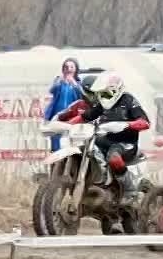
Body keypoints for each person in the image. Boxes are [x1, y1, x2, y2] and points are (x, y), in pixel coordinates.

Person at [55, 72, 151, 200]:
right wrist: (65, 125)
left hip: (125, 143)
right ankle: (96, 180)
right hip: (103, 139)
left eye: (106, 93)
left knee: (113, 158)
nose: (103, 97)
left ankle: (130, 191)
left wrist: (126, 125)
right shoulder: (103, 103)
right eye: (101, 93)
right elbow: (85, 116)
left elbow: (145, 123)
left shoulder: (128, 100)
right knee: (84, 148)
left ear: (117, 90)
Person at [43, 57, 81, 151]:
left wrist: (74, 83)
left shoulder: (78, 83)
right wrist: (60, 81)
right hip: (57, 115)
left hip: (71, 116)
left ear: (75, 69)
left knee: (68, 139)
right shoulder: (59, 80)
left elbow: (81, 96)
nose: (69, 69)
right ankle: (55, 157)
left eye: (72, 67)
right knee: (56, 138)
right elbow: (52, 90)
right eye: (66, 67)